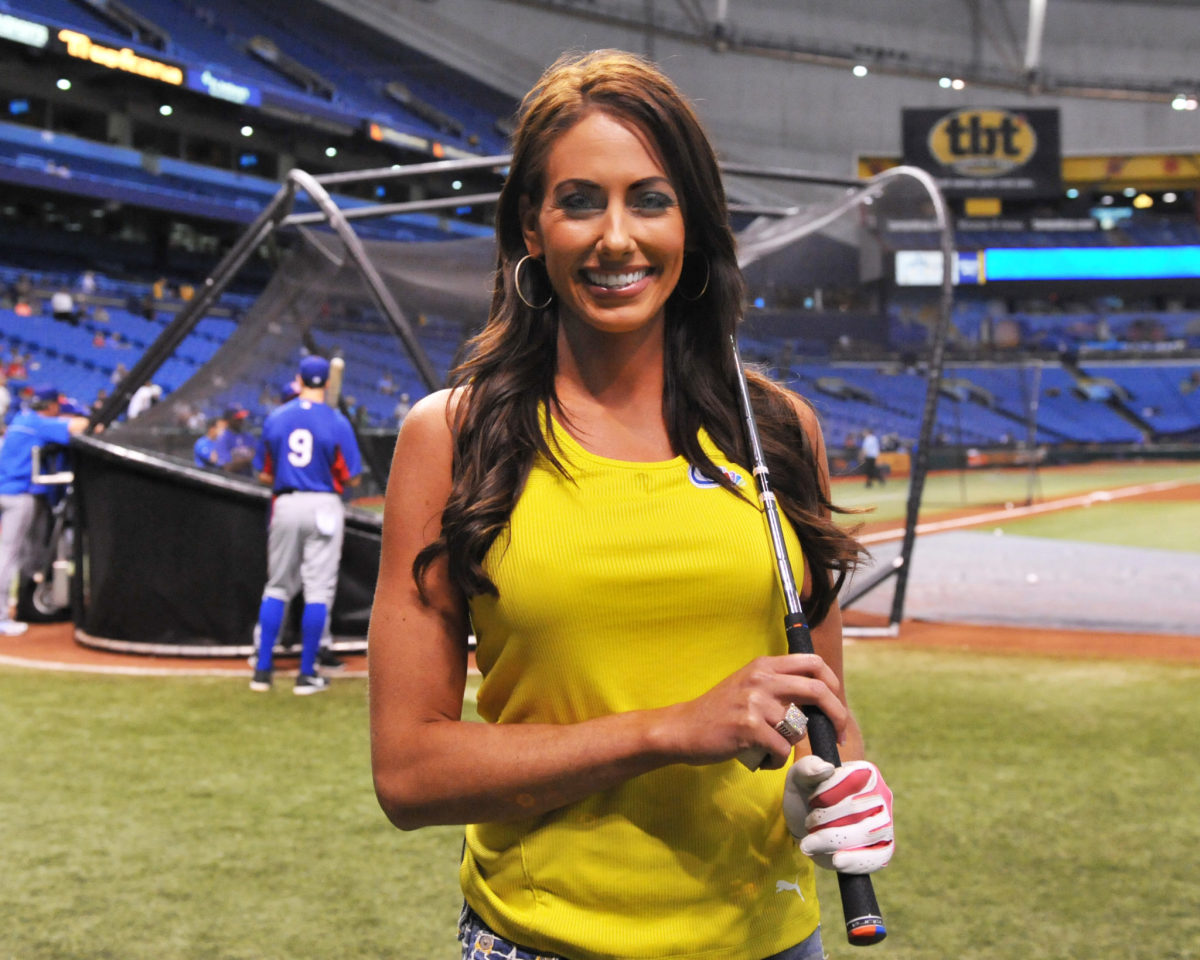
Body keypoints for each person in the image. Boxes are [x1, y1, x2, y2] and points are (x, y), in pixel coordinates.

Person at [368, 50, 893, 960]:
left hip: (774, 941)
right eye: (580, 201)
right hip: (541, 942)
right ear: (532, 227)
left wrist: (832, 789)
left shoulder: (779, 432)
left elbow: (818, 708)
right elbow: (409, 774)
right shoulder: (452, 437)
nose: (617, 237)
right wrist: (668, 730)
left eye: (650, 199)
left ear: (691, 223)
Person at [250, 355, 362, 694]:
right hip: (323, 504)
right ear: (327, 383)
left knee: (277, 586)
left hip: (285, 502)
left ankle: (262, 671)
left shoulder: (277, 418)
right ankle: (306, 674)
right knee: (318, 590)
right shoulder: (337, 420)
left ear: (299, 380)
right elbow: (353, 477)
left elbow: (263, 472)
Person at [0, 386, 89, 635]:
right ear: (51, 406)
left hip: (8, 491)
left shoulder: (21, 418)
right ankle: (0, 617)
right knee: (9, 555)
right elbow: (78, 427)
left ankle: (24, 605)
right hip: (19, 495)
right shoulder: (37, 423)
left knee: (25, 555)